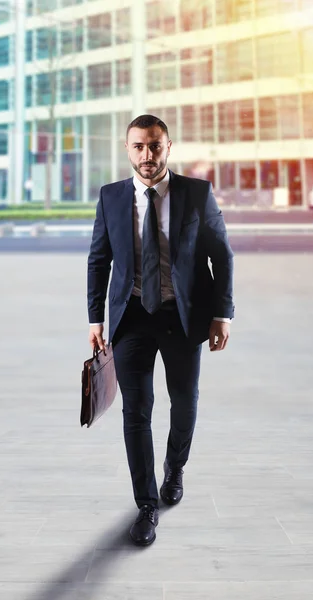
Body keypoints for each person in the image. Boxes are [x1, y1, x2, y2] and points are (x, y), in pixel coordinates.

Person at [87, 114, 234, 546]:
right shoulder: (112, 197)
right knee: (136, 410)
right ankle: (146, 505)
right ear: (127, 149)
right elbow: (99, 260)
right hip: (131, 316)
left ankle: (175, 467)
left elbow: (221, 256)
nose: (146, 155)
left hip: (182, 316)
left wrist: (222, 314)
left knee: (185, 401)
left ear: (169, 147)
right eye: (138, 146)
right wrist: (96, 318)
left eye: (154, 145)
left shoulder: (196, 194)